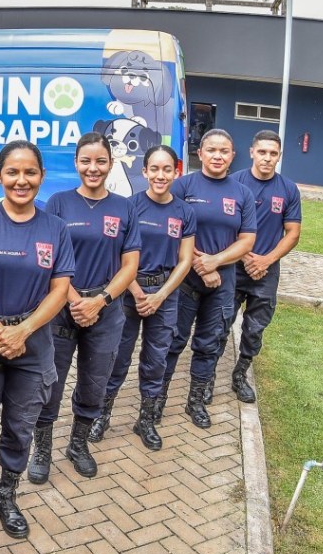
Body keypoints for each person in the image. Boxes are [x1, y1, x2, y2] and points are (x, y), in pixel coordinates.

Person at [0, 140, 73, 538]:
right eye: (12, 172)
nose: (21, 180)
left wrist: (23, 330)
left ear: (42, 176)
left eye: (30, 172)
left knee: (20, 427)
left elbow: (60, 289)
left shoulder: (56, 228)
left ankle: (6, 497)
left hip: (33, 346)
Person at [28, 132, 140, 482]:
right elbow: (47, 259)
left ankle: (77, 444)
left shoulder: (125, 207)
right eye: (86, 161)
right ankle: (42, 449)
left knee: (95, 381)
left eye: (101, 161)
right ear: (76, 163)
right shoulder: (58, 203)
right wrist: (76, 300)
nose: (93, 168)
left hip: (106, 311)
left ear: (111, 163)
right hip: (62, 308)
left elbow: (130, 266)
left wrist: (100, 301)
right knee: (50, 381)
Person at [88, 146, 195, 451]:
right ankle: (101, 416)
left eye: (167, 169)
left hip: (165, 294)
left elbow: (185, 260)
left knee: (156, 360)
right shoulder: (129, 207)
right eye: (154, 169)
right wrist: (136, 292)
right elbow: (118, 256)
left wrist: (160, 295)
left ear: (176, 172)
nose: (161, 175)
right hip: (127, 294)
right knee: (117, 357)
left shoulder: (185, 212)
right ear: (145, 171)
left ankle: (146, 420)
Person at [163, 129, 256, 428]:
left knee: (208, 344)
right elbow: (171, 230)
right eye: (212, 150)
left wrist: (215, 262)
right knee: (173, 342)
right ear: (200, 153)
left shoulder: (242, 193)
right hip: (184, 280)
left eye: (224, 151)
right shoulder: (183, 186)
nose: (217, 156)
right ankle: (156, 403)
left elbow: (247, 240)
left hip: (222, 283)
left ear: (232, 156)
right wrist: (200, 264)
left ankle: (196, 402)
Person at [216, 130, 301, 402]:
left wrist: (266, 260)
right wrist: (245, 256)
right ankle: (206, 377)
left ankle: (240, 374)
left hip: (266, 270)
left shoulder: (288, 189)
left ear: (279, 156)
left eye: (273, 153)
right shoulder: (233, 183)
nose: (267, 158)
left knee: (255, 328)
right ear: (252, 152)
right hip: (233, 267)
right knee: (219, 322)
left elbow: (293, 233)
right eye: (262, 152)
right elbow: (224, 227)